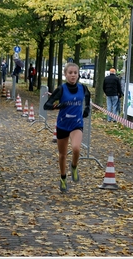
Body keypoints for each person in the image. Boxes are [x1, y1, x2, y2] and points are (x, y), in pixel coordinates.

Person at [43, 63, 91, 192]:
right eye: (70, 73)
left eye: (75, 72)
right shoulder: (61, 89)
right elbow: (46, 105)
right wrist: (58, 106)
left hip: (76, 123)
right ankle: (63, 177)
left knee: (76, 148)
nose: (73, 75)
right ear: (65, 74)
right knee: (62, 154)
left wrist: (87, 109)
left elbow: (88, 97)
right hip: (63, 124)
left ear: (78, 74)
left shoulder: (83, 88)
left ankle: (74, 166)